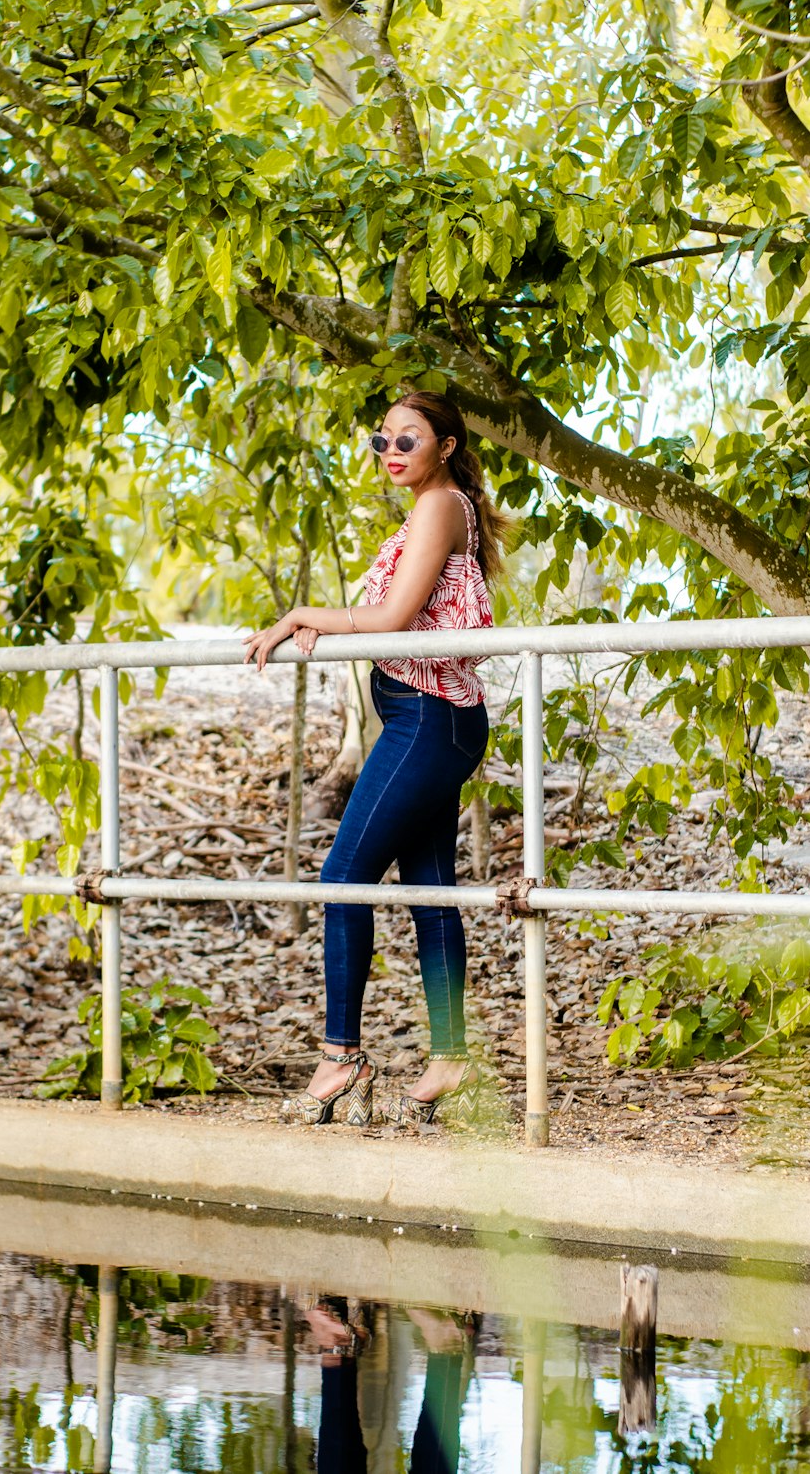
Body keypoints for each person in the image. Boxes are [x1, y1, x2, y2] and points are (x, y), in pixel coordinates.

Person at [243, 391, 508, 1126]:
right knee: (429, 887)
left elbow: (391, 620)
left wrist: (300, 616)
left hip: (427, 721)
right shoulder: (437, 505)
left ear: (446, 446)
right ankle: (451, 1055)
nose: (391, 451)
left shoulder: (439, 506)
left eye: (408, 440)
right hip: (428, 718)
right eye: (382, 440)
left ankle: (341, 1054)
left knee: (343, 876)